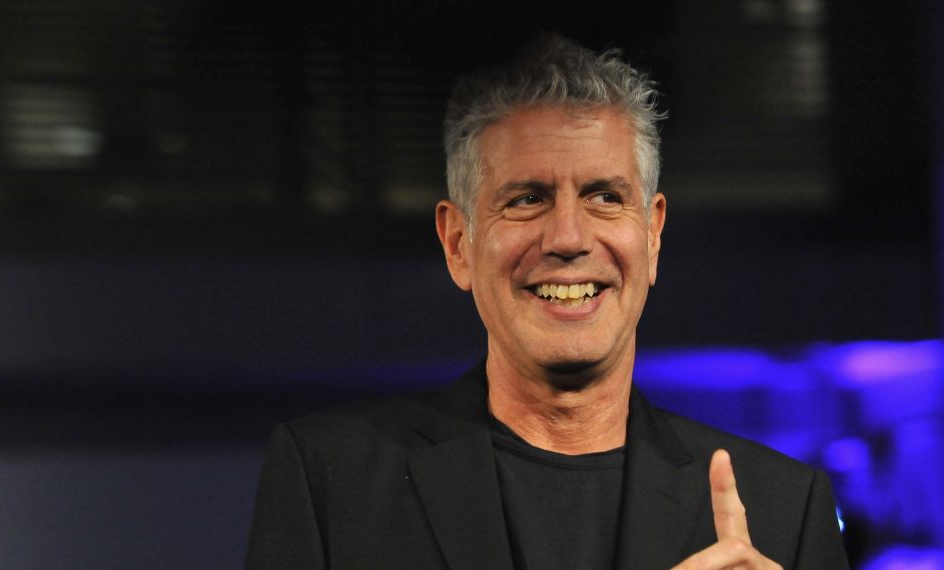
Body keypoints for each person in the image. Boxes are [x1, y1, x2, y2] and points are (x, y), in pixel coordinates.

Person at [245, 34, 849, 569]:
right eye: (527, 198)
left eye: (605, 197)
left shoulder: (781, 511)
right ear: (458, 243)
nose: (567, 238)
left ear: (653, 236)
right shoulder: (332, 483)